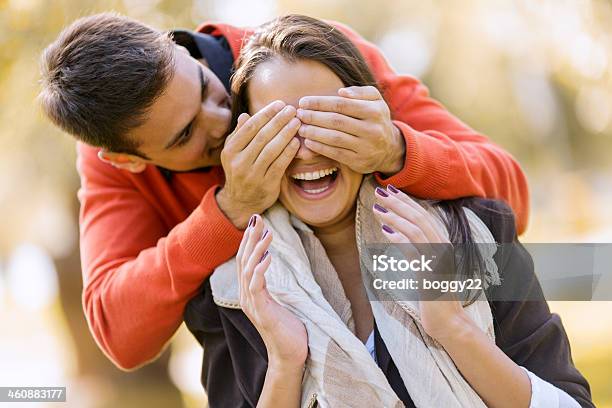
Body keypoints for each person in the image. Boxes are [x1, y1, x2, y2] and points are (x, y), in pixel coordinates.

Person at [38, 12, 529, 370]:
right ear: (130, 159)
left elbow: (513, 197)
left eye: (208, 88)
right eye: (185, 135)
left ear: (179, 48)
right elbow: (120, 335)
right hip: (267, 365)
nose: (223, 121)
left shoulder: (309, 61)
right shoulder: (119, 169)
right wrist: (228, 211)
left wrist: (398, 150)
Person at [184, 15, 592, 407]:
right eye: (279, 129)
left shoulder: (473, 231)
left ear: (370, 118)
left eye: (329, 121)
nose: (307, 150)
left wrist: (452, 328)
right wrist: (286, 365)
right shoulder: (230, 296)